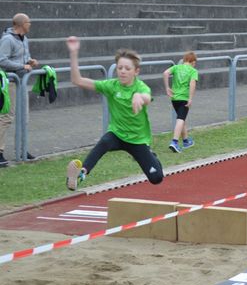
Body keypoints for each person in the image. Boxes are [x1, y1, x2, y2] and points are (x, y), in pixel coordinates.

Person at [65, 36, 163, 190]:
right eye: (120, 68)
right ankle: (80, 173)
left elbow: (148, 97)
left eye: (127, 68)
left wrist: (139, 97)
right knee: (104, 142)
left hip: (138, 140)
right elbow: (77, 80)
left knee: (156, 178)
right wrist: (73, 53)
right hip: (117, 134)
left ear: (136, 71)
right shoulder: (111, 86)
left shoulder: (141, 87)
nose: (122, 72)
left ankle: (153, 157)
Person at [0, 13, 38, 167]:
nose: (30, 24)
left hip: (22, 82)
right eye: (28, 22)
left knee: (24, 117)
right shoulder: (7, 40)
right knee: (7, 117)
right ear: (21, 24)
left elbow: (23, 57)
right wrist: (22, 66)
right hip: (11, 83)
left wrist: (30, 61)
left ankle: (22, 150)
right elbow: (2, 60)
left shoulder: (25, 39)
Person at [163, 51, 198, 153]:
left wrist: (167, 87)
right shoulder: (193, 71)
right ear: (192, 61)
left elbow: (165, 73)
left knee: (182, 118)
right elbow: (192, 84)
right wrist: (190, 98)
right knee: (181, 119)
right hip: (184, 98)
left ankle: (186, 141)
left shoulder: (176, 67)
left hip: (174, 98)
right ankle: (174, 141)